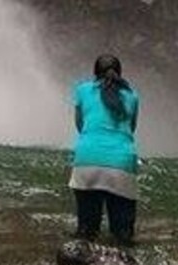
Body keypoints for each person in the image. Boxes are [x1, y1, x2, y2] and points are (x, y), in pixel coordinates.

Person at [69, 54, 141, 247]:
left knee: (86, 232)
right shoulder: (132, 96)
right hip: (121, 163)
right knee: (123, 235)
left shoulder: (83, 90)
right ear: (120, 73)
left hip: (86, 160)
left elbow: (80, 124)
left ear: (95, 74)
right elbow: (131, 129)